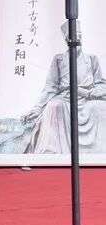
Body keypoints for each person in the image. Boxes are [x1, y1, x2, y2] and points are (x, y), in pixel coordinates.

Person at [21, 22, 106, 154]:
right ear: (67, 39)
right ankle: (53, 150)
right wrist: (37, 108)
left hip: (86, 98)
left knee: (100, 107)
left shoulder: (91, 59)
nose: (77, 39)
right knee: (54, 106)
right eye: (73, 36)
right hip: (65, 98)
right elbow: (50, 87)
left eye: (79, 35)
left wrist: (88, 93)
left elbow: (101, 83)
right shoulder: (59, 59)